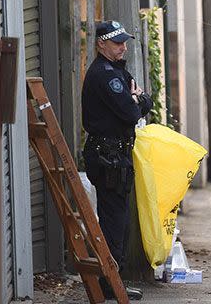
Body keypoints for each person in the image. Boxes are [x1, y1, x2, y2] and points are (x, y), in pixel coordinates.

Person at [82, 20, 153, 300]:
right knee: (114, 222)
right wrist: (135, 100)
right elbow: (130, 111)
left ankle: (112, 279)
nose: (123, 47)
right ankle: (110, 282)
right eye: (117, 42)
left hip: (117, 154)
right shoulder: (104, 75)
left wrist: (138, 99)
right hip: (107, 155)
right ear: (101, 44)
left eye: (124, 42)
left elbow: (144, 100)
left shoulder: (117, 71)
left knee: (119, 221)